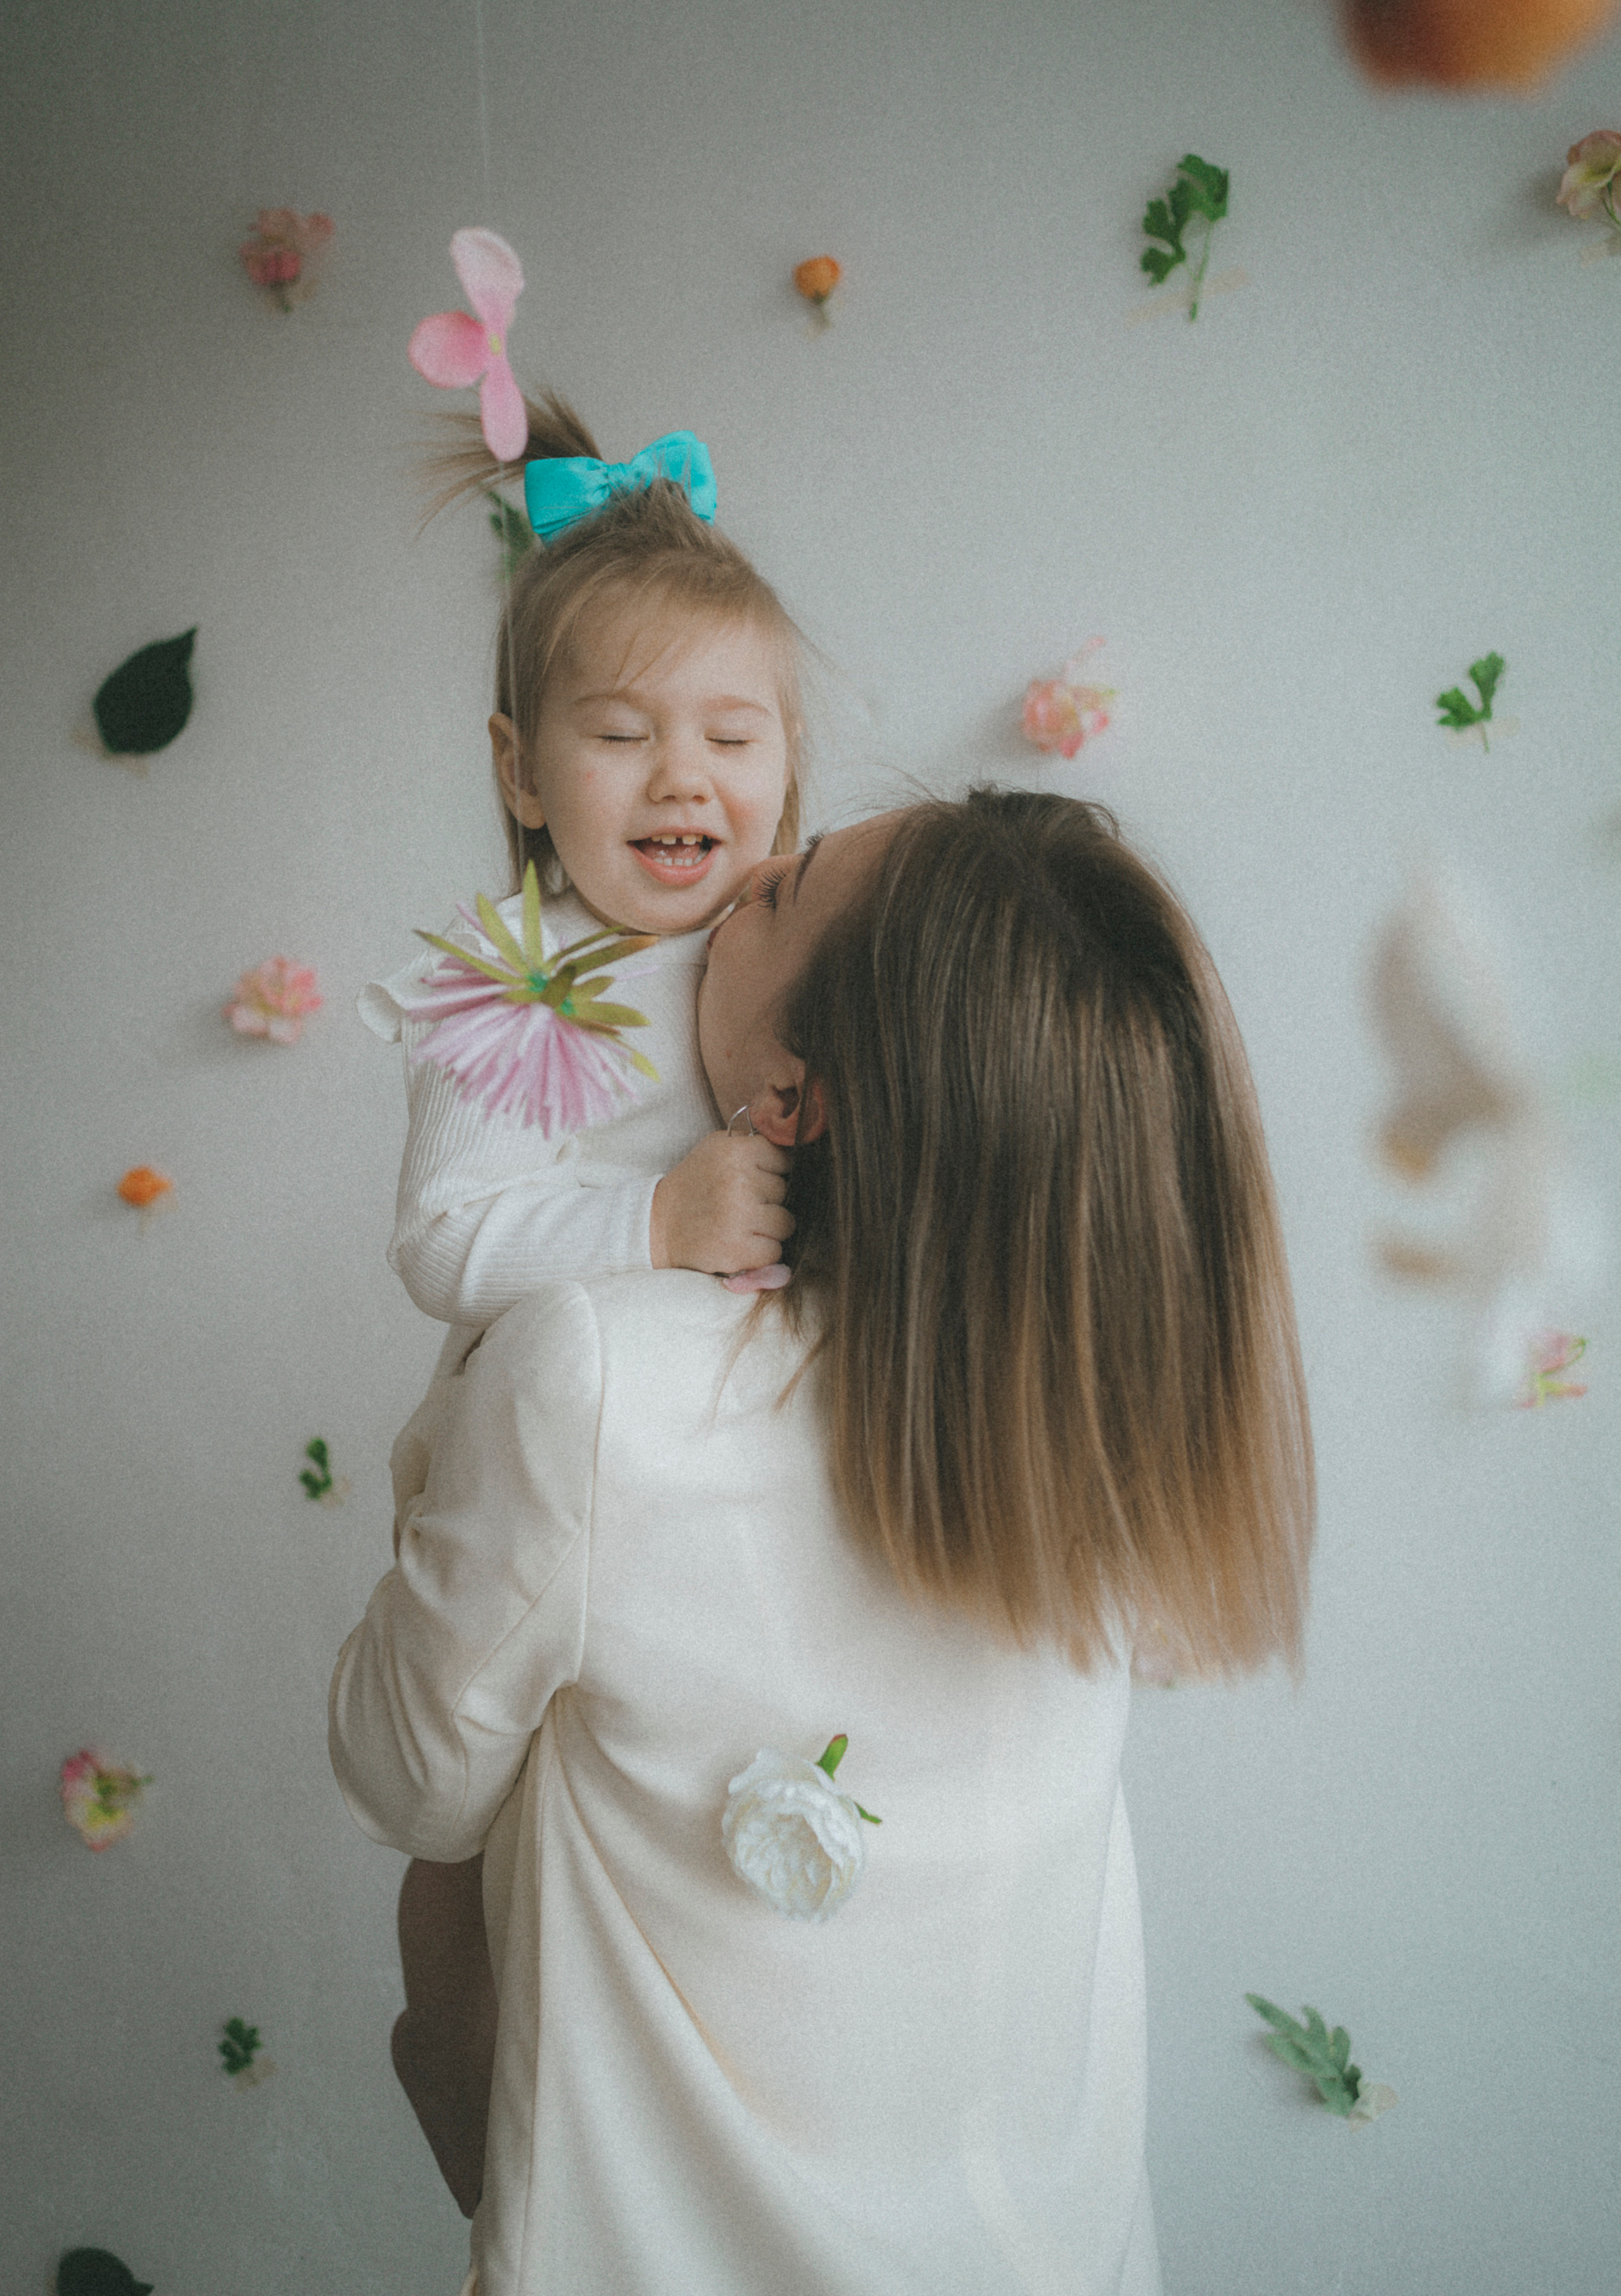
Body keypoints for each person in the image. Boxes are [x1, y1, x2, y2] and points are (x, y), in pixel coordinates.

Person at [331, 787, 1316, 2296]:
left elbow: (402, 1770)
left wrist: (505, 1341)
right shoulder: (1109, 1423)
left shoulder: (601, 1378)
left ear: (794, 1098)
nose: (739, 874)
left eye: (779, 898)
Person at [359, 391, 807, 2202]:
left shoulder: (797, 940)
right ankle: (462, 2067)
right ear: (522, 772)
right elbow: (444, 1243)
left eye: (733, 732)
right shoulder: (515, 983)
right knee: (485, 1828)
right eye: (620, 735)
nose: (683, 776)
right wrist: (657, 1216)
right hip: (519, 1472)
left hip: (705, 1489)